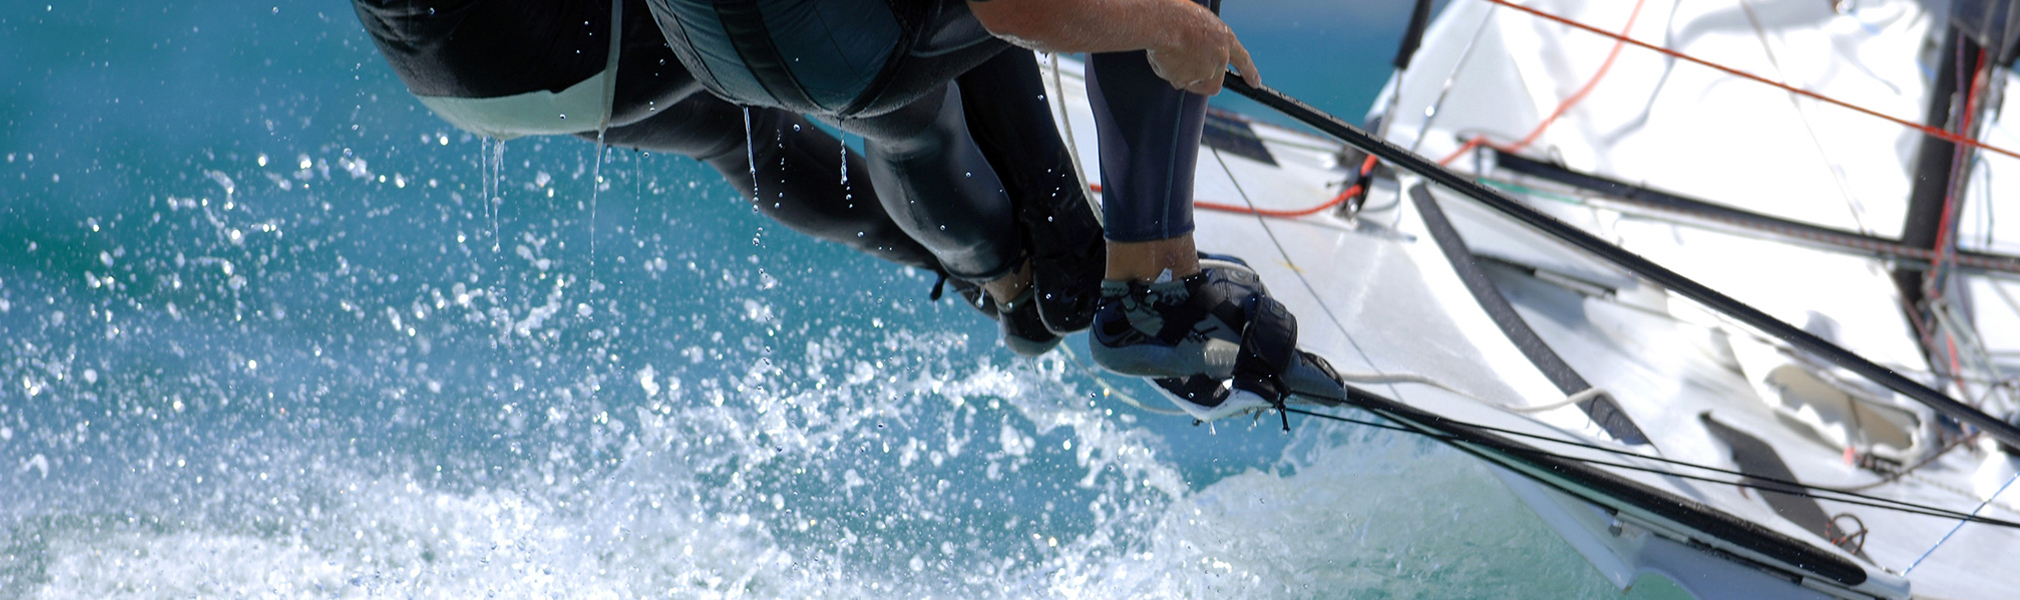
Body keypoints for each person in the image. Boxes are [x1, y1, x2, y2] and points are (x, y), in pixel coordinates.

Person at [644, 0, 1346, 420]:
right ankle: (1153, 290)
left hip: (700, 48)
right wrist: (1170, 25)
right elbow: (1017, 11)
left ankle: (1022, 275)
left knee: (901, 108)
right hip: (833, 48)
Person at [349, 0, 1105, 356]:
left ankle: (1000, 285)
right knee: (898, 77)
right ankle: (1062, 254)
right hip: (567, 38)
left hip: (452, 74)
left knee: (738, 136)